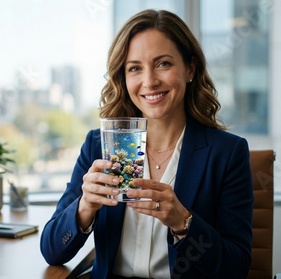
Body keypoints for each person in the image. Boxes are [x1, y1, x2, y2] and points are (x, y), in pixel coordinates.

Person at [40, 9, 253, 279]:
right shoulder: (100, 145)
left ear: (190, 68)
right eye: (135, 68)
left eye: (163, 63)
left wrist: (183, 222)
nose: (150, 81)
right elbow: (52, 251)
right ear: (124, 77)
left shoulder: (227, 153)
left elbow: (236, 267)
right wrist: (84, 207)